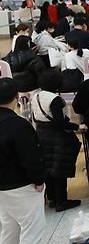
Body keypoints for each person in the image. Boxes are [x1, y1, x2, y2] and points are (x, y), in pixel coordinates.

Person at [0, 78, 46, 244]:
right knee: (32, 230)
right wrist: (39, 179)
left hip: (2, 189)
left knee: (9, 230)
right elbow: (30, 156)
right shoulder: (18, 124)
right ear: (17, 97)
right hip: (22, 186)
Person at [31, 70, 81, 212]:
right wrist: (76, 126)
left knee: (48, 168)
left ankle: (52, 199)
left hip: (41, 134)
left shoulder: (36, 96)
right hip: (56, 137)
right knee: (59, 169)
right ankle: (62, 201)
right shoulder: (55, 100)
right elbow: (60, 123)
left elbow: (35, 118)